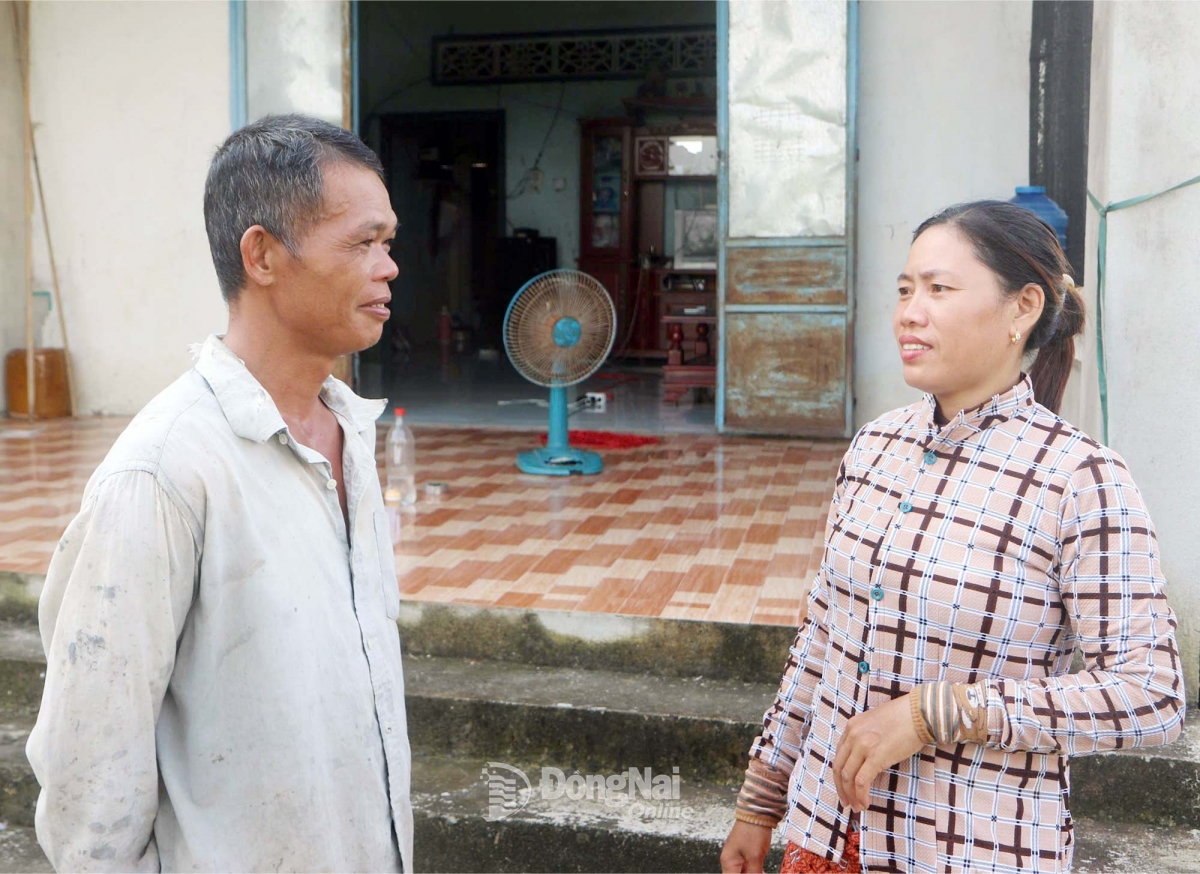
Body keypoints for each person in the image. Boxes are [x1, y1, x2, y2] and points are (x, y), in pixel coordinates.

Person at [720, 201, 1185, 873]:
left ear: (1022, 306)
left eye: (939, 290)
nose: (910, 311)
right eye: (906, 290)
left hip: (968, 849)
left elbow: (1151, 692)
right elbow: (823, 640)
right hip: (824, 840)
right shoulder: (876, 446)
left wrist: (938, 713)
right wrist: (761, 799)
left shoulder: (1079, 479)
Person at [26, 114, 411, 872]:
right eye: (363, 242)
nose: (389, 266)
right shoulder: (164, 473)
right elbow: (89, 775)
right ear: (262, 255)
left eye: (388, 242)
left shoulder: (351, 438)